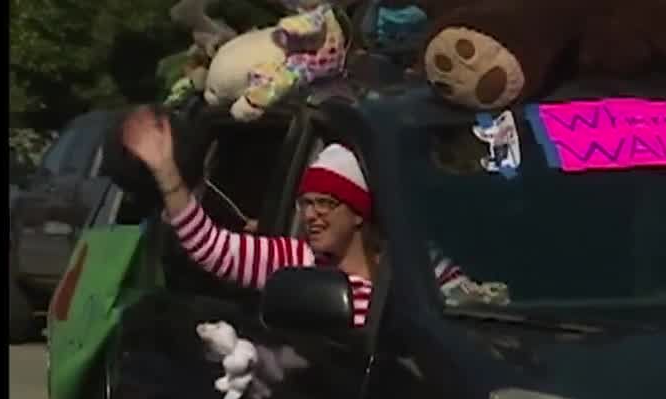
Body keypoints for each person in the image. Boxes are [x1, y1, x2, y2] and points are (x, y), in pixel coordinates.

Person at [119, 105, 473, 328]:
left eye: (327, 204)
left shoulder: (419, 263)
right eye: (306, 203)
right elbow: (211, 247)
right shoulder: (296, 260)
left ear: (358, 213)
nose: (312, 216)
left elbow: (472, 310)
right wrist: (166, 173)